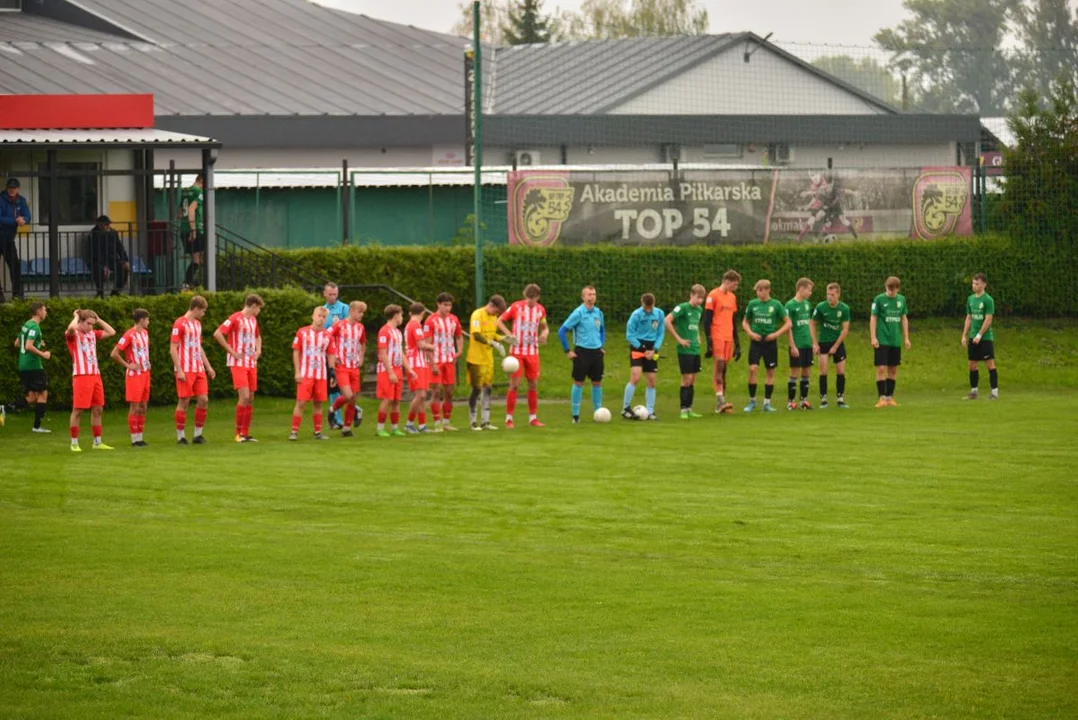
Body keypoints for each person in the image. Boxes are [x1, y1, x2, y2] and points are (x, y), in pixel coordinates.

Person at [213, 294, 263, 443]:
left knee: (251, 398)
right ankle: (238, 433)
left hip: (250, 363)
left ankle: (245, 433)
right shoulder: (235, 318)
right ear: (253, 306)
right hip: (238, 363)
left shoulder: (253, 320)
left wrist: (258, 350)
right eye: (259, 308)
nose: (259, 311)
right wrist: (232, 351)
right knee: (244, 396)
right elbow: (218, 333)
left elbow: (257, 336)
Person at [65, 309, 116, 451]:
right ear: (80, 322)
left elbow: (112, 332)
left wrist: (98, 320)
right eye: (88, 323)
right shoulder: (74, 335)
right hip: (81, 376)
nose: (91, 327)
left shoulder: (93, 334)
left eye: (93, 324)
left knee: (98, 409)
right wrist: (76, 316)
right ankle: (74, 443)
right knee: (78, 410)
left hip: (95, 375)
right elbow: (70, 328)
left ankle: (97, 442)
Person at [501, 283, 549, 429]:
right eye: (528, 298)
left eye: (533, 299)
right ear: (524, 296)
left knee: (533, 383)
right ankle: (508, 419)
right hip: (517, 352)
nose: (530, 301)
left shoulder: (541, 310)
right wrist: (508, 334)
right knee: (514, 385)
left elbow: (545, 327)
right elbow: (500, 321)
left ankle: (533, 418)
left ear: (538, 298)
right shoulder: (516, 307)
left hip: (532, 351)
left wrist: (544, 334)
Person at [171, 295, 216, 444]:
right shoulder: (179, 323)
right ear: (196, 309)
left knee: (203, 399)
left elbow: (198, 347)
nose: (203, 314)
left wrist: (208, 366)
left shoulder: (197, 324)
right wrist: (179, 370)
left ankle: (198, 434)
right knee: (184, 401)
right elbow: (173, 348)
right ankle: (181, 436)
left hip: (198, 368)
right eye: (203, 311)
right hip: (185, 368)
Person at [558, 285, 606, 424]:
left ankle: (598, 412)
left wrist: (601, 345)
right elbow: (562, 331)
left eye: (594, 294)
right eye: (589, 294)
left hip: (596, 352)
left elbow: (602, 330)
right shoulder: (578, 313)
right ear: (583, 297)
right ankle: (575, 415)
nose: (592, 297)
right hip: (582, 351)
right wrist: (568, 350)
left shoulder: (598, 313)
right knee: (579, 382)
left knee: (597, 382)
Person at [742, 279, 791, 413]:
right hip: (756, 341)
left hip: (770, 342)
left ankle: (767, 404)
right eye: (757, 291)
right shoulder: (753, 304)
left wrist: (776, 334)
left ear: (767, 290)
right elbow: (745, 322)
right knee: (753, 369)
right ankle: (752, 401)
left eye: (760, 290)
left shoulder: (776, 305)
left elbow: (788, 323)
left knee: (770, 372)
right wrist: (750, 333)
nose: (758, 293)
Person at [467, 295, 514, 431]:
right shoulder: (477, 315)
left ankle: (485, 421)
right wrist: (492, 343)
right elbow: (476, 334)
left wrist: (504, 338)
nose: (497, 314)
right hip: (475, 359)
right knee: (477, 389)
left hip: (488, 360)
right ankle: (473, 421)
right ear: (491, 305)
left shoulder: (493, 318)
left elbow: (492, 334)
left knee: (488, 388)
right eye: (497, 311)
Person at [110, 308, 152, 447]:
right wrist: (128, 365)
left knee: (143, 406)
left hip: (145, 373)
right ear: (141, 320)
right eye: (147, 319)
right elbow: (114, 353)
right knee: (134, 405)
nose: (148, 322)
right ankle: (134, 439)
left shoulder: (145, 333)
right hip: (134, 376)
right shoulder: (129, 334)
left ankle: (140, 436)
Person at [290, 307, 332, 441]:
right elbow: (296, 351)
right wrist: (297, 371)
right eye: (319, 316)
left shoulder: (327, 335)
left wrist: (332, 372)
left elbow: (331, 354)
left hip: (321, 374)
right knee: (301, 402)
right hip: (305, 373)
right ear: (313, 316)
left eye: (324, 317)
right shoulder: (302, 332)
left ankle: (318, 432)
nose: (321, 319)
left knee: (318, 402)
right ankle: (294, 431)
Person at [665, 284, 706, 420]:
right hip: (685, 349)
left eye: (702, 299)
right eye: (697, 298)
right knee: (686, 378)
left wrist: (698, 337)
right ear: (691, 295)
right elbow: (667, 320)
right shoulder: (682, 308)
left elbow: (695, 326)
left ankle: (690, 408)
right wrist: (679, 339)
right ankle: (683, 409)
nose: (699, 301)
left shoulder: (699, 310)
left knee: (693, 379)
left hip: (695, 349)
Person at [375, 304, 416, 438]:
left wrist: (409, 369)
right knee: (387, 399)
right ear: (396, 316)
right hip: (387, 370)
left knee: (396, 400)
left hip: (398, 369)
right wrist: (390, 372)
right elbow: (383, 353)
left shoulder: (398, 332)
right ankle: (380, 428)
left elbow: (401, 352)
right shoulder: (384, 331)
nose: (402, 318)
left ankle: (394, 428)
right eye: (401, 315)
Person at [703, 270, 742, 414]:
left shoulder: (732, 297)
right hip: (717, 335)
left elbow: (733, 320)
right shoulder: (713, 295)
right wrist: (708, 341)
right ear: (726, 281)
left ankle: (721, 403)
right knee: (718, 367)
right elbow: (706, 320)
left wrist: (737, 343)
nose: (735, 287)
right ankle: (720, 401)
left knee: (724, 370)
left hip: (728, 337)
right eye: (734, 284)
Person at [424, 293, 464, 431]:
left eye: (450, 305)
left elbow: (459, 336)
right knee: (436, 392)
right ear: (438, 304)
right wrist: (432, 364)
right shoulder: (430, 321)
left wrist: (460, 350)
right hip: (436, 360)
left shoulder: (454, 319)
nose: (448, 308)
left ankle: (446, 421)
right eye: (445, 305)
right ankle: (437, 422)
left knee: (449, 392)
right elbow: (427, 344)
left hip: (449, 361)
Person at [327, 300, 367, 438]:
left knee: (353, 398)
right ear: (351, 311)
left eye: (363, 313)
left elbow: (362, 344)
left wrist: (361, 358)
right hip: (342, 366)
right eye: (359, 312)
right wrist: (333, 356)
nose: (361, 315)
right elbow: (326, 336)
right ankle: (332, 409)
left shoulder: (360, 328)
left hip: (354, 366)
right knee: (348, 395)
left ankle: (346, 428)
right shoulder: (339, 325)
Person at [623, 292, 665, 421]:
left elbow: (660, 333)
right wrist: (643, 349)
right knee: (635, 377)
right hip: (637, 346)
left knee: (651, 380)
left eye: (650, 308)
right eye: (646, 308)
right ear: (642, 304)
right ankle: (625, 409)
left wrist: (654, 349)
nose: (648, 310)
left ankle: (650, 411)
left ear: (654, 304)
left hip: (652, 348)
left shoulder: (659, 314)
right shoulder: (636, 315)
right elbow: (629, 335)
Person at [870, 276, 911, 407]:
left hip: (895, 340)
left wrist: (906, 338)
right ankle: (881, 398)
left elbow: (904, 318)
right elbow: (873, 317)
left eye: (893, 290)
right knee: (881, 368)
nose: (890, 292)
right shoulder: (879, 299)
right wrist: (873, 337)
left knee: (893, 369)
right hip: (882, 339)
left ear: (897, 289)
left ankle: (890, 397)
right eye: (888, 289)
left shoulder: (901, 300)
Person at [811, 282, 851, 409]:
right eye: (828, 294)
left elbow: (845, 330)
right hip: (823, 342)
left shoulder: (844, 309)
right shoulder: (821, 307)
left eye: (832, 295)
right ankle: (823, 399)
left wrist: (835, 346)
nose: (829, 297)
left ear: (838, 294)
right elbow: (812, 323)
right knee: (823, 371)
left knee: (840, 371)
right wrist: (815, 343)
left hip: (837, 343)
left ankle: (840, 399)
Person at [15, 301, 51, 432]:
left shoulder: (26, 325)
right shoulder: (35, 327)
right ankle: (37, 427)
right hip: (33, 366)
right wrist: (43, 354)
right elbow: (28, 346)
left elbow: (17, 343)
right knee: (43, 394)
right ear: (38, 312)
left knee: (32, 397)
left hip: (23, 365)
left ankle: (5, 408)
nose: (46, 312)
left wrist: (37, 343)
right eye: (44, 310)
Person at [962, 272, 998, 400]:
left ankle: (994, 392)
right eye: (973, 283)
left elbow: (988, 319)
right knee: (972, 364)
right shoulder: (970, 299)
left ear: (983, 285)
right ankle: (974, 391)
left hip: (985, 338)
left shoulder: (988, 300)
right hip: (973, 337)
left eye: (977, 284)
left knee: (990, 364)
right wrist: (964, 335)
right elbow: (969, 317)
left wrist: (980, 335)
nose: (974, 286)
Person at [784, 278, 817, 410]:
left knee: (806, 371)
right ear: (801, 289)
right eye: (809, 290)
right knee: (795, 372)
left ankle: (804, 400)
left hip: (807, 343)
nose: (810, 292)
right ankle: (791, 401)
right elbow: (788, 327)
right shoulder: (790, 305)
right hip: (797, 344)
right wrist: (792, 345)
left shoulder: (807, 304)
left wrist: (814, 342)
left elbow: (809, 323)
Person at [322, 282, 350, 429]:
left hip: (341, 354)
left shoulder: (344, 309)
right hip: (327, 353)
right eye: (330, 294)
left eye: (335, 294)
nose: (333, 297)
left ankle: (347, 415)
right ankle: (336, 419)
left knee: (344, 387)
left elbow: (347, 332)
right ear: (324, 294)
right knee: (333, 385)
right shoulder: (322, 310)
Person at [404, 302, 434, 433]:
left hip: (419, 362)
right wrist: (433, 346)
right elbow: (421, 344)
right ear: (423, 313)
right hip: (416, 362)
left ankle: (422, 425)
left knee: (421, 395)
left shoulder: (410, 324)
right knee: (421, 395)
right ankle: (409, 423)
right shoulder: (415, 325)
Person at [0, 177, 30, 301]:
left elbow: (28, 215)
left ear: (18, 189)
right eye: (10, 188)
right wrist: (15, 220)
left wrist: (24, 220)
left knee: (15, 265)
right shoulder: (1, 199)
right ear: (7, 188)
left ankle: (17, 294)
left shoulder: (21, 200)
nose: (12, 190)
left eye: (14, 188)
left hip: (9, 238)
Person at [89, 215, 130, 298]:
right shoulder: (94, 234)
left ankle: (116, 291)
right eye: (105, 224)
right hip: (98, 261)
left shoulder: (113, 233)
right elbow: (96, 251)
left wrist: (125, 260)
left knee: (123, 269)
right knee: (98, 271)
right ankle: (100, 293)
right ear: (99, 225)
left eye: (108, 224)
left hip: (112, 259)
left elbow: (119, 247)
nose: (108, 226)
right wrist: (104, 265)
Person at [180, 175, 207, 289]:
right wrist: (194, 230)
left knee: (197, 258)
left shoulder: (186, 192)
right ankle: (187, 283)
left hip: (183, 228)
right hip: (194, 229)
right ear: (202, 181)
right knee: (197, 259)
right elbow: (191, 209)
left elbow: (180, 213)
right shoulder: (199, 192)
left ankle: (191, 282)